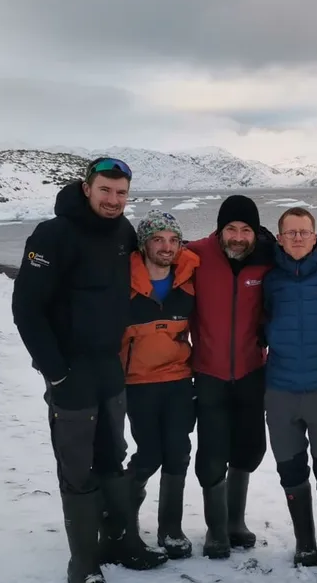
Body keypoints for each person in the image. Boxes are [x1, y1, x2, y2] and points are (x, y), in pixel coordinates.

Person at [12, 158, 167, 583]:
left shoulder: (122, 233)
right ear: (87, 188)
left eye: (121, 193)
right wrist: (56, 372)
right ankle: (83, 560)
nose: (114, 200)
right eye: (106, 191)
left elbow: (160, 260)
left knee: (113, 457)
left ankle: (123, 542)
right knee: (78, 466)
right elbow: (26, 308)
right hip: (70, 370)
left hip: (109, 366)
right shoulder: (52, 235)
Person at [183, 196, 317, 560]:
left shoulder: (266, 256)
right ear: (219, 229)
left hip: (252, 371)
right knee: (212, 454)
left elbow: (310, 250)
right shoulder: (196, 254)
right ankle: (216, 530)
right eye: (231, 229)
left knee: (251, 450)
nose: (239, 237)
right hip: (210, 371)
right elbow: (156, 254)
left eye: (245, 229)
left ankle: (237, 523)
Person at [261, 207, 317, 579]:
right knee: (291, 471)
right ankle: (305, 542)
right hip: (279, 393)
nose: (297, 238)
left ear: (316, 236)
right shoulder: (267, 279)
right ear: (278, 238)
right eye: (290, 232)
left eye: (304, 232)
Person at [119, 210, 199, 559]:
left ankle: (171, 528)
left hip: (180, 380)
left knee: (178, 451)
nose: (166, 247)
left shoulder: (189, 280)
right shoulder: (125, 283)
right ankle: (121, 520)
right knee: (149, 452)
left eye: (173, 240)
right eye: (158, 239)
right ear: (145, 243)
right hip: (139, 383)